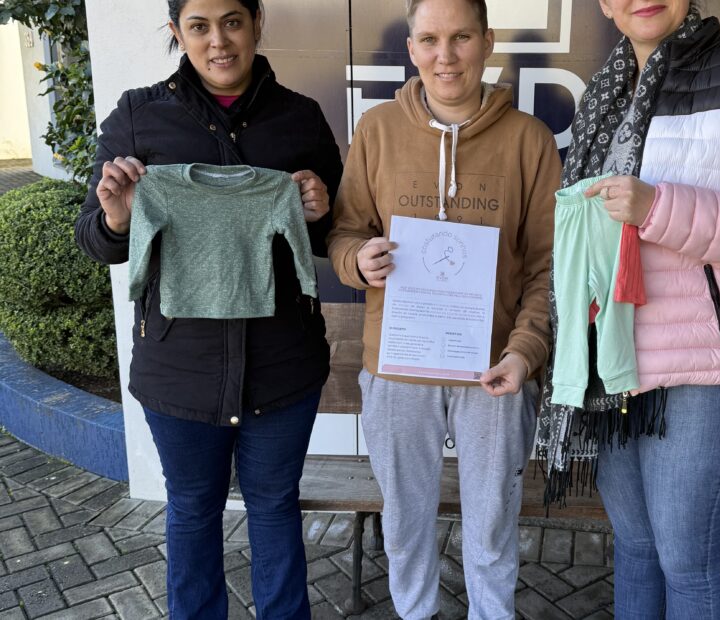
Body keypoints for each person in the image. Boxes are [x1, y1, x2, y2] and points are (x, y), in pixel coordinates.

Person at [540, 1, 720, 617]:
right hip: (614, 369)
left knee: (688, 564)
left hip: (709, 375)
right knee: (636, 549)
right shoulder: (606, 92)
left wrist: (658, 207)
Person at [74, 0, 342, 617]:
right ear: (177, 32)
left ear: (256, 22)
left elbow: (336, 235)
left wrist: (320, 213)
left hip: (283, 365)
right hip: (179, 369)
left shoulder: (300, 118)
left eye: (232, 21)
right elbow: (96, 240)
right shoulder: (139, 117)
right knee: (193, 510)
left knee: (274, 507)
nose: (218, 41)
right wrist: (118, 218)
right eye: (199, 26)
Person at [327, 0, 560, 617]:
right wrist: (357, 259)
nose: (445, 56)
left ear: (487, 40)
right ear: (411, 49)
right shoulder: (377, 130)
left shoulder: (529, 141)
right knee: (405, 526)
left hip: (494, 371)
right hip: (398, 368)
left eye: (461, 38)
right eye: (429, 40)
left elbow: (548, 266)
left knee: (492, 531)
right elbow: (345, 231)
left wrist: (525, 351)